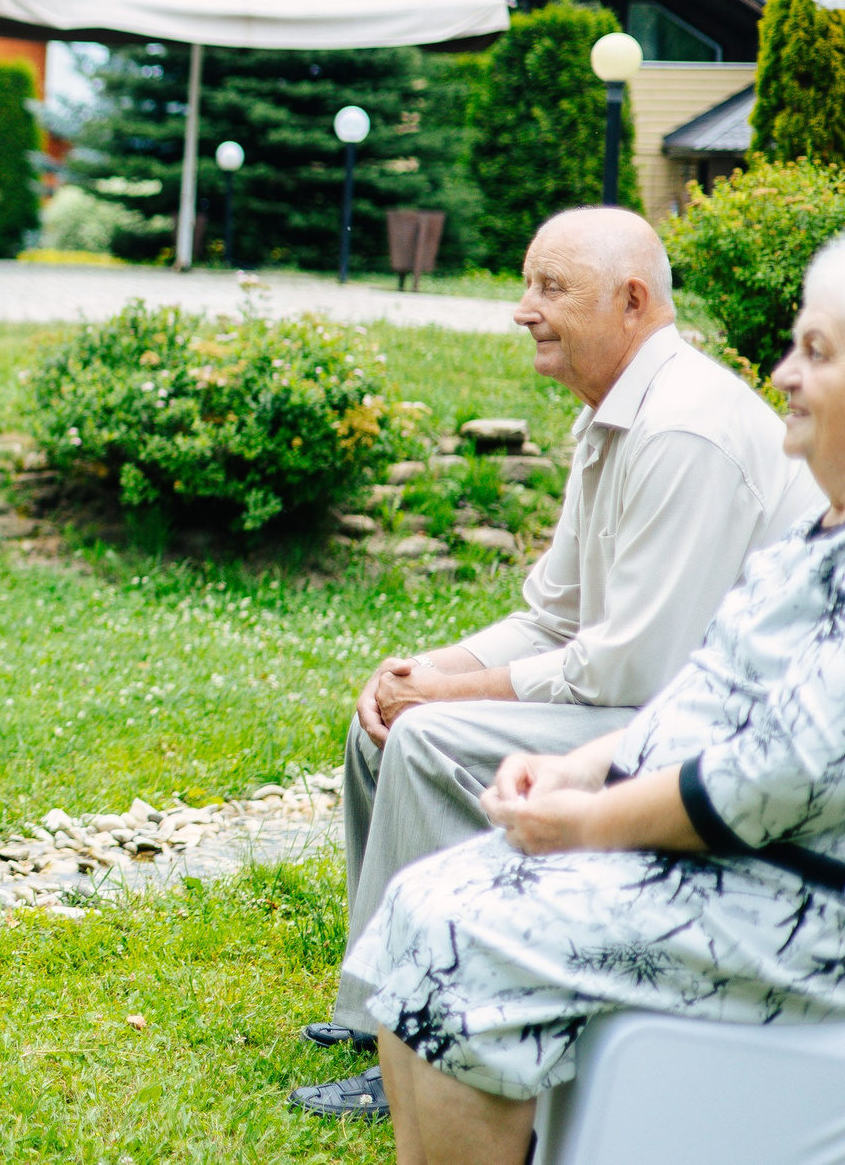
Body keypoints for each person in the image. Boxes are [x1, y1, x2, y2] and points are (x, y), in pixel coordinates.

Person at [292, 206, 820, 1120]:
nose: (521, 308)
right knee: (386, 722)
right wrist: (423, 667)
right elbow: (554, 612)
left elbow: (632, 669)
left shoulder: (684, 426)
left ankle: (426, 1025)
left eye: (550, 287)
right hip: (644, 703)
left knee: (424, 739)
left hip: (678, 724)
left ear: (630, 300)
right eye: (526, 282)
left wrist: (444, 699)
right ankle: (380, 995)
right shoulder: (612, 415)